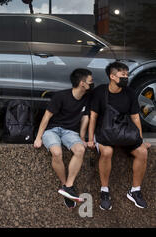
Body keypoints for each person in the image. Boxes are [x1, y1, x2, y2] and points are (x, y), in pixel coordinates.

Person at [88, 62, 151, 210]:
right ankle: (104, 191)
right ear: (112, 76)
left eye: (127, 75)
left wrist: (140, 140)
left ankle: (135, 191)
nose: (126, 78)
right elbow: (93, 117)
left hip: (124, 132)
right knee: (107, 152)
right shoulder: (100, 92)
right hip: (104, 132)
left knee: (142, 152)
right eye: (122, 75)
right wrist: (90, 139)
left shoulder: (129, 93)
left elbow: (135, 117)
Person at [34, 69, 93, 208]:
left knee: (80, 150)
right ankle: (65, 186)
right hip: (52, 130)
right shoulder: (61, 96)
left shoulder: (87, 97)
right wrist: (38, 137)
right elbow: (46, 116)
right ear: (82, 83)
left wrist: (83, 138)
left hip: (70, 131)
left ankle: (68, 186)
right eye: (90, 81)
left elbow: (86, 117)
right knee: (56, 152)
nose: (92, 83)